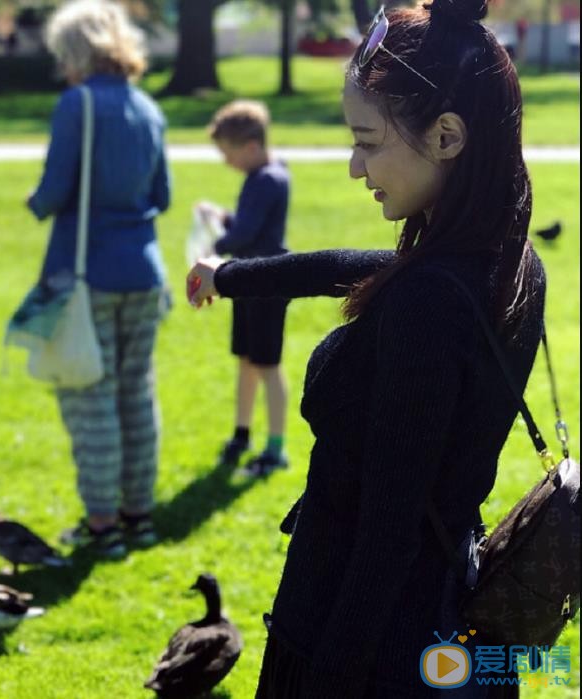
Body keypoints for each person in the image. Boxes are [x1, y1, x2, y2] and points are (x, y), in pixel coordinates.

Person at [187, 1, 544, 696]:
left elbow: (387, 531)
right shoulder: (507, 263)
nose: (354, 166)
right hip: (446, 615)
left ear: (445, 135)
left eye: (367, 140)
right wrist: (231, 276)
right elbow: (351, 266)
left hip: (367, 637)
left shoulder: (427, 303)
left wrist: (327, 675)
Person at [27, 0, 171, 558]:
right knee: (137, 396)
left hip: (88, 275)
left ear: (75, 51)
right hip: (144, 270)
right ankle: (140, 518)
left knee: (92, 400)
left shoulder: (77, 104)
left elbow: (54, 190)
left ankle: (103, 524)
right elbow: (162, 196)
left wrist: (36, 203)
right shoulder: (146, 106)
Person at [204, 100, 291, 476]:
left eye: (229, 154)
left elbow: (245, 233)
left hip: (266, 283)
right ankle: (241, 432)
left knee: (267, 365)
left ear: (251, 147)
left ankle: (274, 448)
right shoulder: (263, 176)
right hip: (247, 279)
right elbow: (245, 224)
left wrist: (212, 250)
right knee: (247, 360)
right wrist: (221, 218)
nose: (227, 162)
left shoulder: (267, 179)